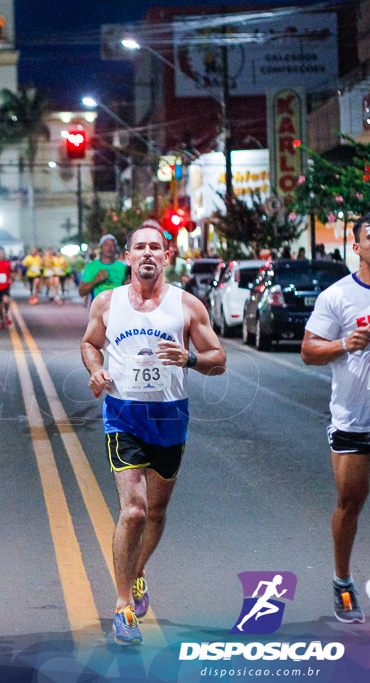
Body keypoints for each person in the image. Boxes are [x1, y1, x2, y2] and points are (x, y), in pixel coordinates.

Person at [80, 222, 226, 645]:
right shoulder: (107, 303)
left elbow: (219, 359)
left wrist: (191, 358)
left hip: (169, 419)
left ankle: (138, 569)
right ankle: (123, 607)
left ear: (167, 257)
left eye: (155, 248)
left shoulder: (187, 305)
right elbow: (90, 343)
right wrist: (96, 370)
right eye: (139, 247)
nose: (147, 253)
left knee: (157, 513)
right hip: (123, 416)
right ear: (127, 257)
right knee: (135, 511)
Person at [301, 211, 370, 623]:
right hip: (355, 420)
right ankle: (342, 583)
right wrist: (346, 342)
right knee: (350, 503)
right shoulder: (338, 296)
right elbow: (309, 351)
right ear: (357, 244)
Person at [79, 235, 128, 301]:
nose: (110, 248)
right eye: (107, 245)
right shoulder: (91, 266)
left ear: (115, 248)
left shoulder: (122, 267)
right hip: (98, 308)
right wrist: (95, 280)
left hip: (117, 307)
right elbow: (81, 292)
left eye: (113, 245)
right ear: (101, 247)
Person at [0, 248, 14, 328]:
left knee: (6, 301)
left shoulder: (8, 263)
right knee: (0, 305)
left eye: (2, 253)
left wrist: (11, 279)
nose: (1, 255)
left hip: (5, 286)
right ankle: (1, 320)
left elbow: (12, 271)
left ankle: (7, 313)